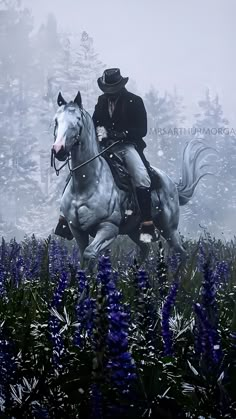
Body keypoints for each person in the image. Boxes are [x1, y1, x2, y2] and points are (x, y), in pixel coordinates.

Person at [55, 68, 156, 242]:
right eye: (106, 90)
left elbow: (142, 129)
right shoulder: (102, 101)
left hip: (127, 147)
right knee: (76, 172)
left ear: (119, 86)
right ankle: (64, 218)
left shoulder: (135, 101)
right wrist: (100, 134)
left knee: (141, 177)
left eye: (111, 90)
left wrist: (120, 134)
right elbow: (95, 123)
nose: (108, 94)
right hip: (104, 147)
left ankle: (147, 223)